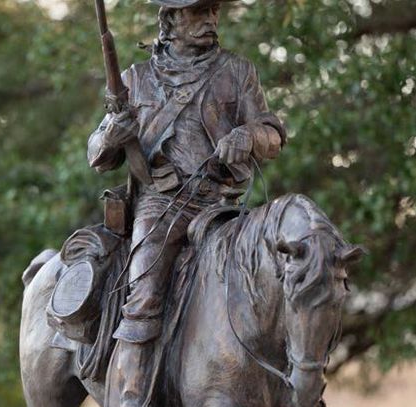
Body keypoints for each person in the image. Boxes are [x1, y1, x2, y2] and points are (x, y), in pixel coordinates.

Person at [87, 0, 286, 405]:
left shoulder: (238, 71)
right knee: (143, 296)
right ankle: (130, 395)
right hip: (161, 207)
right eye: (198, 12)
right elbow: (97, 155)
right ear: (171, 19)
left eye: (213, 10)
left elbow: (272, 132)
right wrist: (112, 132)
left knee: (282, 281)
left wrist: (248, 136)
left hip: (224, 206)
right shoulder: (135, 79)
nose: (210, 18)